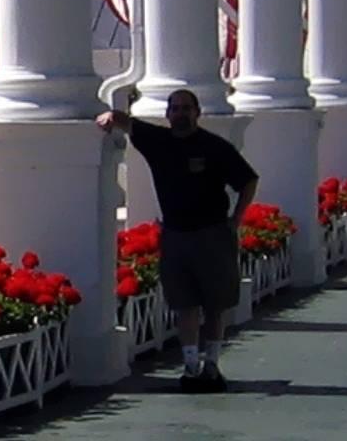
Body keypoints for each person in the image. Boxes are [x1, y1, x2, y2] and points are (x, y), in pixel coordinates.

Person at [96, 88, 259, 393]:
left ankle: (211, 365)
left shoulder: (214, 147)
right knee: (184, 304)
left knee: (214, 304)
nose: (181, 114)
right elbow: (126, 121)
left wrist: (236, 219)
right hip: (176, 235)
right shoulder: (158, 141)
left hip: (212, 234)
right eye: (175, 109)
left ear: (197, 113)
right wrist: (109, 117)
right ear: (168, 114)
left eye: (187, 108)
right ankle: (190, 366)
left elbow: (248, 179)